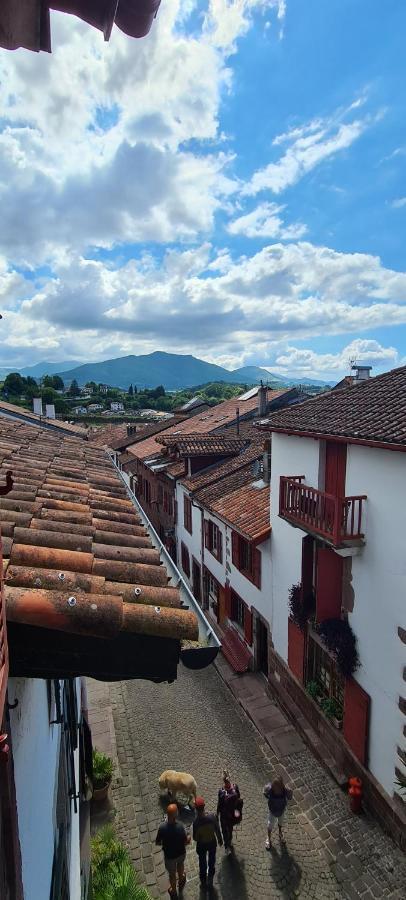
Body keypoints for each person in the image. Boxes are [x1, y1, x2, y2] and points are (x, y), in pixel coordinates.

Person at [155, 803, 190, 898]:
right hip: (181, 853)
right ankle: (182, 878)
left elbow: (157, 842)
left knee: (172, 875)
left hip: (169, 856)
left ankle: (174, 891)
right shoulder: (180, 826)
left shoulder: (162, 828)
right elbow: (186, 842)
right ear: (175, 815)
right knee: (180, 865)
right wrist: (189, 838)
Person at [192, 796, 223, 887]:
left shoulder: (196, 823)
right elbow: (217, 829)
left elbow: (195, 838)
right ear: (204, 806)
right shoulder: (212, 817)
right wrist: (220, 840)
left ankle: (203, 879)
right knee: (212, 859)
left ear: (196, 809)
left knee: (202, 862)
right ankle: (210, 876)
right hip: (212, 842)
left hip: (202, 845)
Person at [263, 776, 293, 849]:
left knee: (280, 823)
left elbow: (290, 798)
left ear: (281, 786)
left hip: (281, 811)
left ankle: (280, 833)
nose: (276, 790)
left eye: (278, 788)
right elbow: (265, 793)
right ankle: (268, 839)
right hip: (272, 811)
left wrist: (290, 792)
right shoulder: (269, 788)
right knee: (270, 825)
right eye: (274, 787)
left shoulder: (285, 790)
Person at [217, 771, 240, 852]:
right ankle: (229, 842)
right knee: (230, 829)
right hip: (232, 814)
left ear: (223, 781)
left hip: (224, 816)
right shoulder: (235, 787)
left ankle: (227, 846)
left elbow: (219, 804)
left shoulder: (221, 791)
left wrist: (217, 813)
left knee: (224, 830)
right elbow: (239, 799)